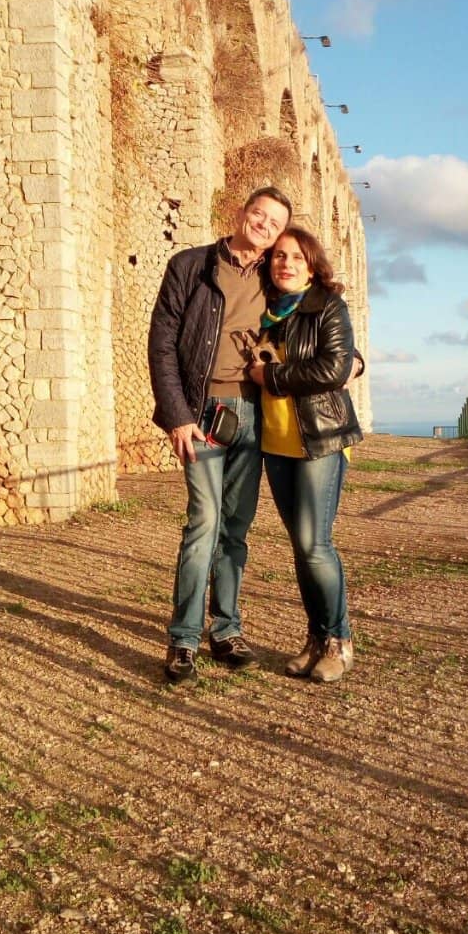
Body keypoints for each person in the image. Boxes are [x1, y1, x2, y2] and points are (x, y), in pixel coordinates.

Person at [148, 186, 293, 684]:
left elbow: (318, 311)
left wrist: (349, 359)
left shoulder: (277, 281)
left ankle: (225, 630)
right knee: (204, 521)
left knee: (235, 527)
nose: (263, 225)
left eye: (274, 223)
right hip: (202, 412)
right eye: (259, 214)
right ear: (241, 212)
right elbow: (162, 342)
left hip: (255, 414)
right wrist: (177, 415)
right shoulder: (190, 265)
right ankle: (183, 639)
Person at [247, 227, 362, 684]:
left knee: (316, 545)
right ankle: (315, 638)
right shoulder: (263, 311)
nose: (286, 263)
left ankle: (339, 641)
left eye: (296, 256)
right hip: (276, 443)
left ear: (312, 265)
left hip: (320, 440)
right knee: (301, 548)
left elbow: (334, 368)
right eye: (278, 255)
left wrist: (270, 378)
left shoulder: (326, 306)